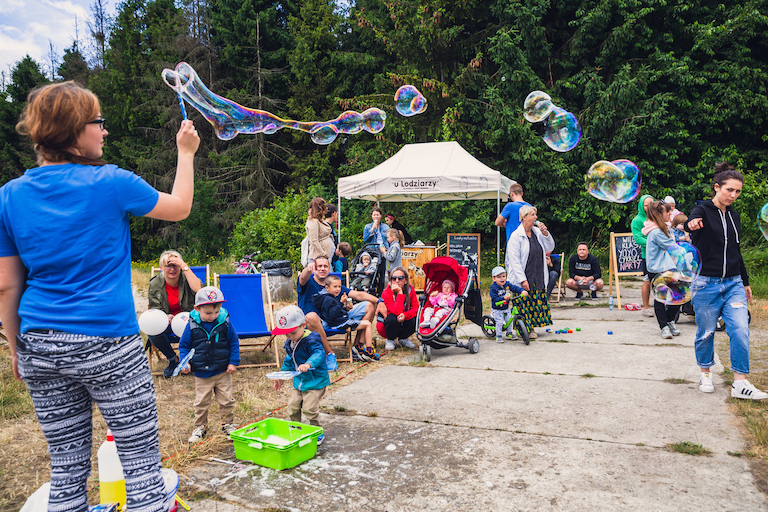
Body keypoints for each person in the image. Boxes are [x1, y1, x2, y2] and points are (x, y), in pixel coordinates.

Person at [0, 81, 199, 511]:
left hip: (40, 345)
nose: (105, 130)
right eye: (98, 122)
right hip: (108, 343)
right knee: (141, 468)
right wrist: (185, 153)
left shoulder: (8, 196)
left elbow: (7, 285)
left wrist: (18, 348)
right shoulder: (111, 181)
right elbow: (180, 206)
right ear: (74, 131)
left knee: (66, 471)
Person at [685, 162, 766, 399]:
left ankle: (740, 383)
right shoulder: (702, 210)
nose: (733, 195)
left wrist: (745, 281)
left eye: (738, 191)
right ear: (717, 187)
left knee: (740, 329)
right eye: (729, 190)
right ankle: (705, 373)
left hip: (733, 283)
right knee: (706, 332)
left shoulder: (734, 216)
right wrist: (690, 224)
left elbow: (736, 251)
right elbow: (690, 221)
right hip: (705, 283)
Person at [179, 286, 240, 442]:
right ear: (197, 309)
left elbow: (233, 342)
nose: (213, 316)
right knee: (201, 402)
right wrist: (185, 363)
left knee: (226, 400)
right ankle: (200, 427)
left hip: (222, 371)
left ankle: (227, 425)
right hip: (202, 373)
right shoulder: (192, 325)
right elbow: (184, 346)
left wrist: (233, 362)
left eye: (216, 312)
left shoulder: (225, 323)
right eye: (208, 313)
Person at [297, 256, 378, 358]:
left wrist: (379, 301)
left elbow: (358, 295)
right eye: (319, 266)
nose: (322, 269)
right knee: (311, 316)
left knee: (370, 305)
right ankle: (329, 354)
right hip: (318, 324)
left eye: (325, 266)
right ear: (315, 268)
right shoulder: (308, 282)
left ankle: (357, 348)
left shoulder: (334, 285)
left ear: (329, 268)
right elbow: (303, 278)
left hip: (337, 319)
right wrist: (308, 268)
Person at [272, 305, 330, 445]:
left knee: (309, 409)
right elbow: (289, 360)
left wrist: (308, 364)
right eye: (286, 334)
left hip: (315, 382)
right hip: (299, 382)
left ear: (303, 326)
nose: (290, 337)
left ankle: (317, 431)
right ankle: (296, 429)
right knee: (292, 407)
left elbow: (319, 354)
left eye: (292, 333)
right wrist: (282, 376)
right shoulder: (291, 342)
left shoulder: (312, 340)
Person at [148, 249, 203, 378]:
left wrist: (184, 266)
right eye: (168, 266)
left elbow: (199, 290)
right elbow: (155, 308)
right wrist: (164, 316)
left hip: (188, 320)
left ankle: (191, 359)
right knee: (153, 330)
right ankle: (173, 360)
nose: (172, 269)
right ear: (161, 268)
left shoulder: (187, 279)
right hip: (168, 321)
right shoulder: (155, 284)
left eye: (175, 265)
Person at [505, 205, 555, 339]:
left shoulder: (537, 232)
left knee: (535, 301)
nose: (536, 217)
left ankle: (531, 327)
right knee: (523, 303)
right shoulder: (516, 236)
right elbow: (514, 261)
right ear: (524, 217)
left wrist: (546, 234)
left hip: (537, 274)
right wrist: (522, 280)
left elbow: (550, 247)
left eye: (535, 214)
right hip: (523, 275)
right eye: (533, 215)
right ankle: (523, 328)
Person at [311, 275, 378, 361]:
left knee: (367, 324)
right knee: (368, 324)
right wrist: (341, 303)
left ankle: (360, 348)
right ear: (327, 288)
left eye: (339, 286)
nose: (338, 289)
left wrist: (345, 309)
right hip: (339, 323)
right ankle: (368, 351)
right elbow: (332, 315)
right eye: (335, 287)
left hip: (340, 321)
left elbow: (334, 311)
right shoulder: (328, 299)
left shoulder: (330, 298)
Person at [643, 201, 681, 340]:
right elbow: (672, 247)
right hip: (657, 269)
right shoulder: (657, 232)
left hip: (668, 267)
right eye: (667, 211)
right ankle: (664, 326)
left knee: (677, 296)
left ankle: (669, 321)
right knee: (661, 298)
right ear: (659, 214)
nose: (671, 213)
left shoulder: (665, 228)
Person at [376, 266, 419, 351]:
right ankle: (390, 339)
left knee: (416, 319)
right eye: (393, 278)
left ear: (406, 280)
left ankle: (403, 338)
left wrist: (405, 315)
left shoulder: (410, 290)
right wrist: (400, 292)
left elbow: (415, 308)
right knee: (393, 319)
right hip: (387, 324)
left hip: (402, 319)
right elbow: (397, 311)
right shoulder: (386, 292)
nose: (397, 281)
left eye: (400, 278)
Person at [631, 194, 656, 317]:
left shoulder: (657, 217)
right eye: (646, 205)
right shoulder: (637, 220)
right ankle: (646, 307)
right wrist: (654, 243)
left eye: (651, 204)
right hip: (648, 256)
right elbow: (638, 239)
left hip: (661, 255)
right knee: (647, 281)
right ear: (641, 206)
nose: (649, 207)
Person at [490, 266, 528, 342]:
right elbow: (494, 299)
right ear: (494, 279)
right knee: (499, 322)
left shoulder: (507, 285)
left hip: (506, 308)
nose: (502, 278)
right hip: (497, 309)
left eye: (503, 276)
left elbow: (514, 288)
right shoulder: (493, 288)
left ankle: (509, 333)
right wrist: (503, 298)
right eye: (499, 277)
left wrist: (522, 291)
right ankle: (498, 335)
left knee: (509, 320)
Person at [305, 197, 334, 264]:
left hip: (323, 257)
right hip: (317, 257)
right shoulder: (313, 221)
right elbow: (314, 240)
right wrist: (323, 254)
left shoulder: (319, 220)